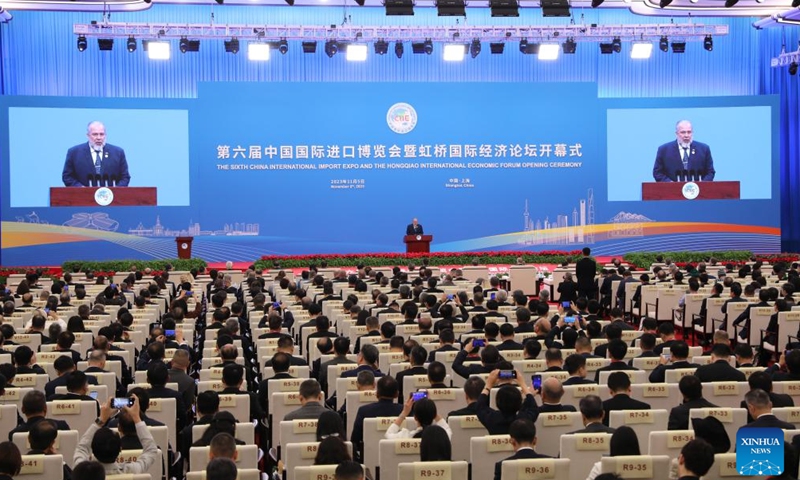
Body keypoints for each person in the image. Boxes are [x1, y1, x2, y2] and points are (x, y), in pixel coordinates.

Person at [73, 395, 159, 475]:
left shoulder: (83, 472)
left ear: (92, 451)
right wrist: (136, 417)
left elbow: (82, 447)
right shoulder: (131, 471)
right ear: (120, 449)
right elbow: (151, 450)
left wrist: (101, 419)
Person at [62, 121, 131, 187]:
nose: (99, 138)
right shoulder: (74, 152)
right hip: (83, 196)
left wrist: (115, 190)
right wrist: (81, 189)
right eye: (95, 134)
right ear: (88, 135)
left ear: (105, 135)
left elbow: (125, 177)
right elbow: (67, 177)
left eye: (101, 134)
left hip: (111, 197)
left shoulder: (118, 152)